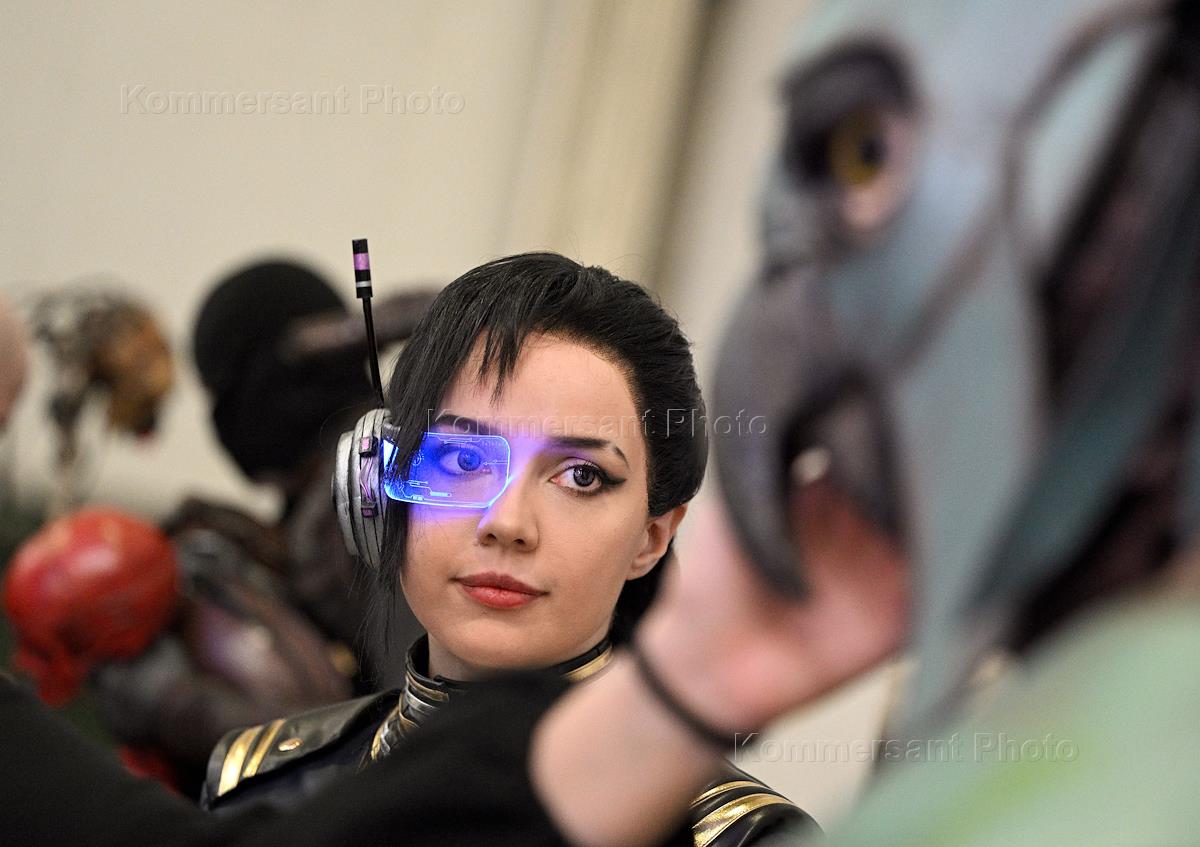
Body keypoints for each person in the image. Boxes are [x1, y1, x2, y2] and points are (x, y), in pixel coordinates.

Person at [199, 252, 816, 843]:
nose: (506, 522)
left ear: (651, 539)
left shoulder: (739, 839)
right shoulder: (259, 786)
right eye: (463, 460)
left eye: (580, 476)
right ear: (380, 489)